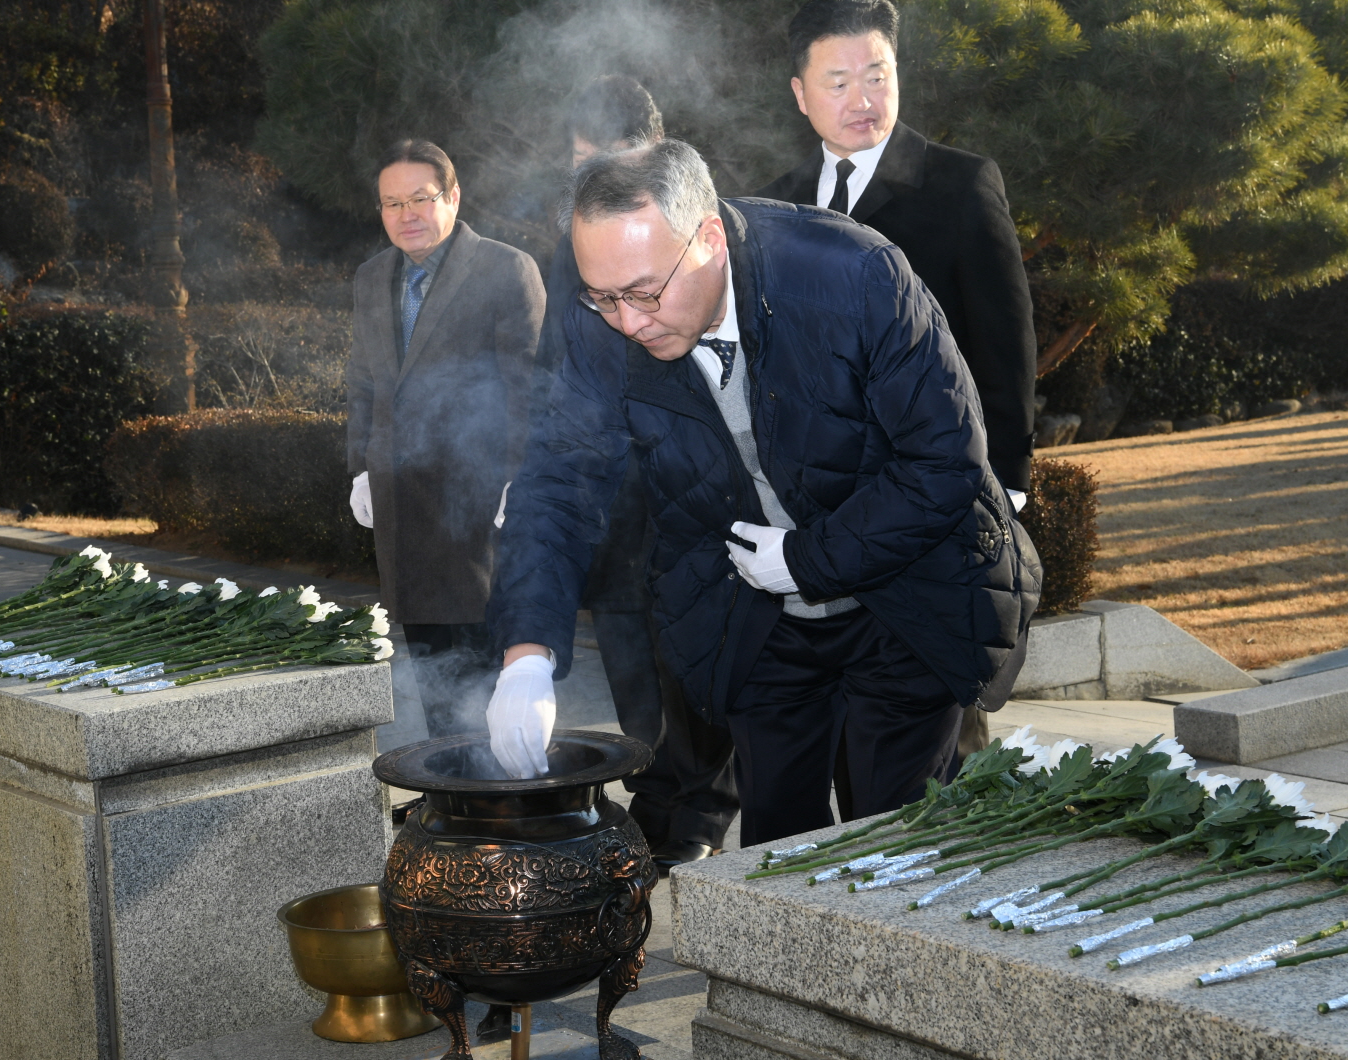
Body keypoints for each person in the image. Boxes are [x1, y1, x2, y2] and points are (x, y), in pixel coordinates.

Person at [484, 139, 1040, 848]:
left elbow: (945, 462)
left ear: (709, 237)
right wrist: (526, 656)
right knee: (777, 847)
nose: (629, 322)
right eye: (604, 297)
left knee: (890, 837)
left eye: (647, 292)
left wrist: (810, 559)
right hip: (757, 618)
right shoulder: (603, 330)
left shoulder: (854, 276)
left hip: (905, 599)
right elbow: (557, 482)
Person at [758, 0, 1038, 770]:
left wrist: (1005, 483)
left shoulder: (960, 183)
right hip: (823, 517)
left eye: (877, 75)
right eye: (840, 80)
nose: (863, 98)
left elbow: (1004, 337)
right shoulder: (777, 202)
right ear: (800, 93)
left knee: (942, 726)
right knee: (849, 732)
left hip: (932, 500)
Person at [535, 76, 738, 875]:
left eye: (607, 161)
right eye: (579, 164)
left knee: (692, 658)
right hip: (609, 488)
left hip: (682, 482)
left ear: (652, 153)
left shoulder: (685, 235)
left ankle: (703, 809)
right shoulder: (572, 245)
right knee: (626, 647)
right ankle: (654, 800)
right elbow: (557, 358)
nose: (591, 183)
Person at [346, 139, 543, 739]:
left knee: (488, 669)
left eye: (420, 199)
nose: (405, 214)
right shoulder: (372, 276)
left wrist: (524, 478)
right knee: (431, 668)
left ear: (453, 197)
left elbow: (530, 387)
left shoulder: (506, 269)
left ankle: (500, 799)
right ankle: (452, 789)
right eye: (390, 203)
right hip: (403, 507)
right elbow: (364, 385)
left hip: (480, 507)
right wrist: (361, 468)